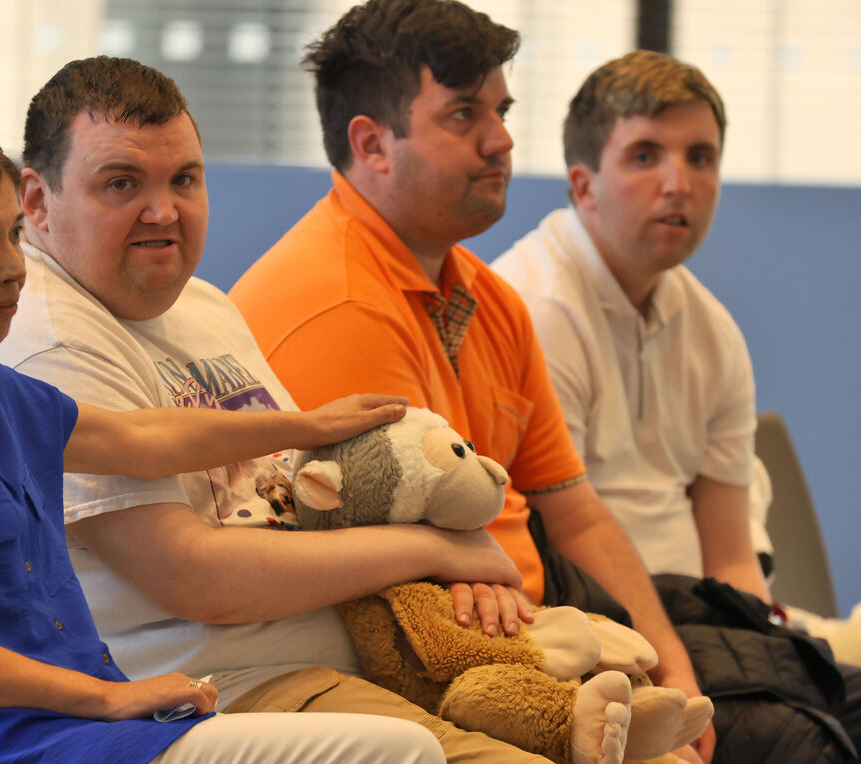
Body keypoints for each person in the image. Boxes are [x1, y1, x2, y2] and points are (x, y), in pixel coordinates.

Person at [0, 114, 444, 764]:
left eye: (13, 234)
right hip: (7, 745)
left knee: (398, 745)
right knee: (396, 750)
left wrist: (310, 425)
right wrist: (101, 700)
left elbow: (145, 437)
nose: (14, 267)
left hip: (85, 728)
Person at [0, 55, 553, 762]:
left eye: (184, 180)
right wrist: (441, 547)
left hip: (358, 657)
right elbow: (193, 579)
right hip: (223, 693)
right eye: (122, 183)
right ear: (35, 200)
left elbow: (313, 496)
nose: (162, 212)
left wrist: (453, 569)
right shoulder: (46, 337)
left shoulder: (203, 304)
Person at [229, 2, 710, 761]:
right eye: (463, 115)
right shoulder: (341, 303)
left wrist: (675, 676)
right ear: (372, 144)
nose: (502, 139)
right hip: (445, 669)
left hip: (549, 630)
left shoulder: (488, 296)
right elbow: (415, 590)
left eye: (502, 110)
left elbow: (575, 513)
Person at [489, 50, 861, 763]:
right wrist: (673, 673)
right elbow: (556, 542)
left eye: (701, 157)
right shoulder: (536, 309)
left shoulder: (714, 331)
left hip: (705, 625)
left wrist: (765, 653)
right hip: (597, 634)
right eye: (646, 155)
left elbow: (732, 551)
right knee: (807, 743)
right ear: (583, 185)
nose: (679, 183)